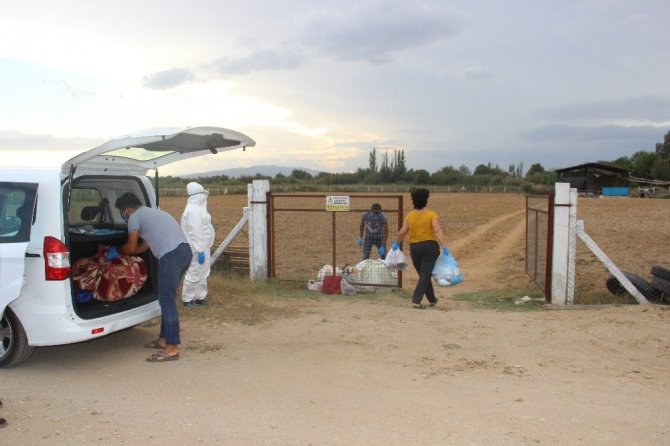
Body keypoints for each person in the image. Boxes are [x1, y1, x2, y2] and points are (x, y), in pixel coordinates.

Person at [114, 192, 192, 362]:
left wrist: (116, 251)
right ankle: (164, 339)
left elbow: (131, 247)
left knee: (166, 300)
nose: (123, 215)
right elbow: (142, 247)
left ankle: (172, 348)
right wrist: (128, 252)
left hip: (171, 256)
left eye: (121, 212)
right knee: (167, 298)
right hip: (184, 252)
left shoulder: (134, 217)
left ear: (127, 210)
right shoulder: (152, 213)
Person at [392, 188, 448, 309]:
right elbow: (437, 230)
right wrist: (444, 247)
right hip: (430, 248)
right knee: (425, 275)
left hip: (415, 248)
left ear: (413, 201)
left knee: (424, 274)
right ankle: (416, 300)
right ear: (426, 200)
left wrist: (396, 244)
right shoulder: (432, 215)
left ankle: (432, 299)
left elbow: (402, 232)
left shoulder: (410, 216)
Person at [181, 182, 216, 308]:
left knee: (203, 272)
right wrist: (200, 250)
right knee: (194, 272)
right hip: (197, 248)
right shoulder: (193, 211)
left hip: (203, 246)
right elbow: (195, 233)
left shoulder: (198, 208)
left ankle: (200, 297)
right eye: (201, 193)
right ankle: (188, 299)